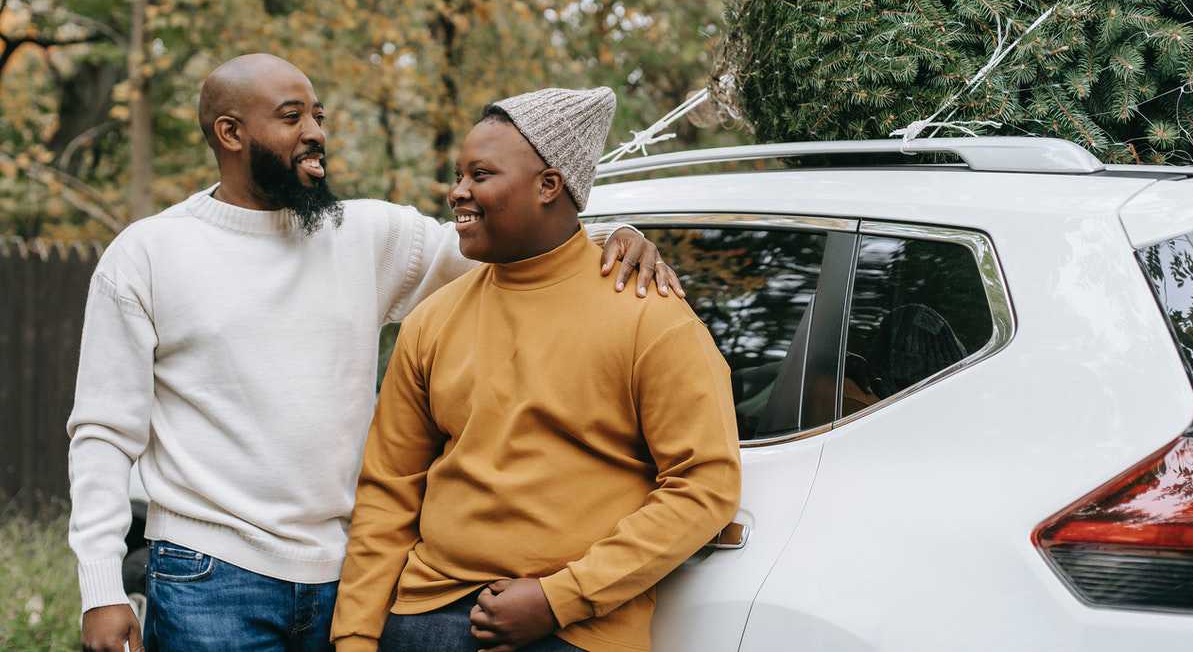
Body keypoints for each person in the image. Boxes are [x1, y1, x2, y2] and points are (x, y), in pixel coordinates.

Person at [69, 55, 683, 652]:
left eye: (319, 116)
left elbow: (513, 240)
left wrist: (613, 237)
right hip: (210, 576)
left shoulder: (365, 234)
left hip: (349, 577)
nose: (315, 133)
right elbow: (103, 432)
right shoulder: (148, 255)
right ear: (230, 133)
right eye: (291, 118)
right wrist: (101, 587)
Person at [330, 87, 741, 652]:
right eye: (459, 175)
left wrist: (558, 599)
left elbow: (706, 486)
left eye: (481, 174)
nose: (458, 192)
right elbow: (389, 490)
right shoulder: (433, 320)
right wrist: (355, 635)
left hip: (571, 629)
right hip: (420, 618)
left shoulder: (650, 316)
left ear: (549, 185)